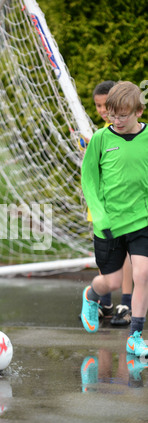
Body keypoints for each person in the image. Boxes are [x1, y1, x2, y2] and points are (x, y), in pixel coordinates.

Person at [80, 81, 148, 357]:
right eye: (112, 114)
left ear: (139, 112)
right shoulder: (100, 139)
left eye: (123, 115)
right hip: (109, 223)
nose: (116, 120)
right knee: (111, 282)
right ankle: (91, 296)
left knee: (143, 273)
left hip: (142, 220)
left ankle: (136, 336)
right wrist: (100, 216)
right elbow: (89, 181)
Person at [92, 81, 133, 326]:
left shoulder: (129, 131)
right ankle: (105, 302)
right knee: (104, 255)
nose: (103, 110)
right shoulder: (98, 134)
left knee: (127, 254)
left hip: (126, 205)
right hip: (101, 204)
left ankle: (125, 304)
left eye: (106, 104)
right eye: (98, 105)